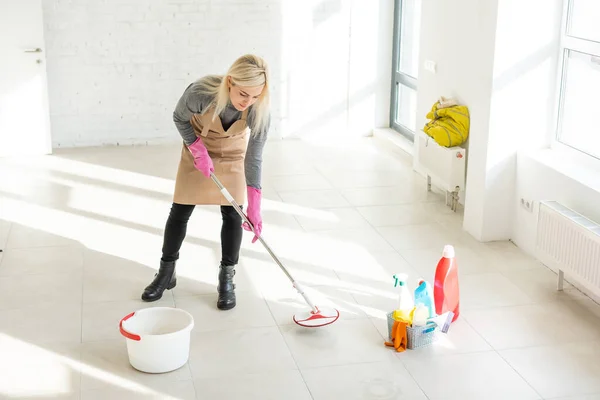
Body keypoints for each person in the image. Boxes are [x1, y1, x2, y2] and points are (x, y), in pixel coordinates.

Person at [141, 54, 270, 310]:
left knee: (234, 214)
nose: (248, 102)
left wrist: (254, 204)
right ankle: (166, 272)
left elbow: (254, 157)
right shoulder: (201, 92)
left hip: (233, 152)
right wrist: (196, 149)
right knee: (181, 210)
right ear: (230, 82)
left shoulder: (258, 109)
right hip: (197, 146)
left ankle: (227, 277)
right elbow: (179, 117)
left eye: (255, 96)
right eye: (244, 94)